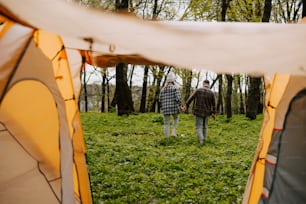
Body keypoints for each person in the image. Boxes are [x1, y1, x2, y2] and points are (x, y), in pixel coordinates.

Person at [181, 80, 216, 145]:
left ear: (203, 84)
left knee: (199, 126)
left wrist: (186, 105)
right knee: (205, 126)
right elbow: (213, 104)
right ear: (208, 84)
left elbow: (191, 98)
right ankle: (204, 139)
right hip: (207, 112)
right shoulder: (211, 93)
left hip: (198, 111)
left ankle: (201, 139)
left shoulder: (198, 90)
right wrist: (213, 113)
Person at [159, 73, 182, 137]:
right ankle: (174, 132)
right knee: (176, 118)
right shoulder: (175, 88)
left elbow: (160, 100)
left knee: (166, 123)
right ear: (173, 80)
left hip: (165, 108)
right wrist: (180, 106)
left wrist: (162, 107)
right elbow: (178, 99)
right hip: (174, 108)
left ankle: (166, 137)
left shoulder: (162, 89)